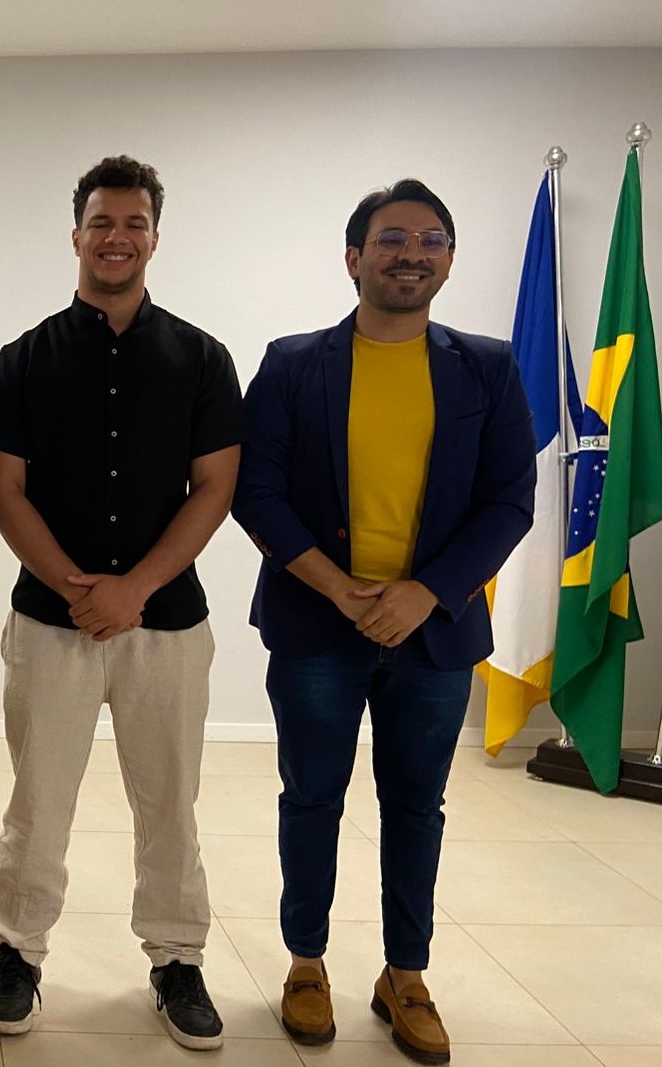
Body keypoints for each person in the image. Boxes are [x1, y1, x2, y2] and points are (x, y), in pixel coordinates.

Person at [231, 179, 534, 1066]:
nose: (412, 253)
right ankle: (306, 961)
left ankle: (407, 973)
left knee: (415, 804)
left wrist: (426, 592)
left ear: (450, 259)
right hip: (316, 624)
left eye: (431, 239)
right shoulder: (293, 363)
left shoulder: (488, 366)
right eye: (393, 238)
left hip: (432, 634)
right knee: (311, 797)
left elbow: (509, 500)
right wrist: (337, 588)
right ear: (354, 257)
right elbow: (257, 492)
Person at [0, 156, 245, 1050]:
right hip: (49, 622)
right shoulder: (23, 360)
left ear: (155, 237)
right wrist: (75, 586)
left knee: (169, 803)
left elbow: (214, 488)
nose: (116, 237)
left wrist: (135, 588)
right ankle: (17, 951)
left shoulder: (203, 359)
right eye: (101, 222)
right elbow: (3, 491)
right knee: (37, 800)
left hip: (166, 623)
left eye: (133, 223)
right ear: (76, 234)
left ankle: (176, 958)